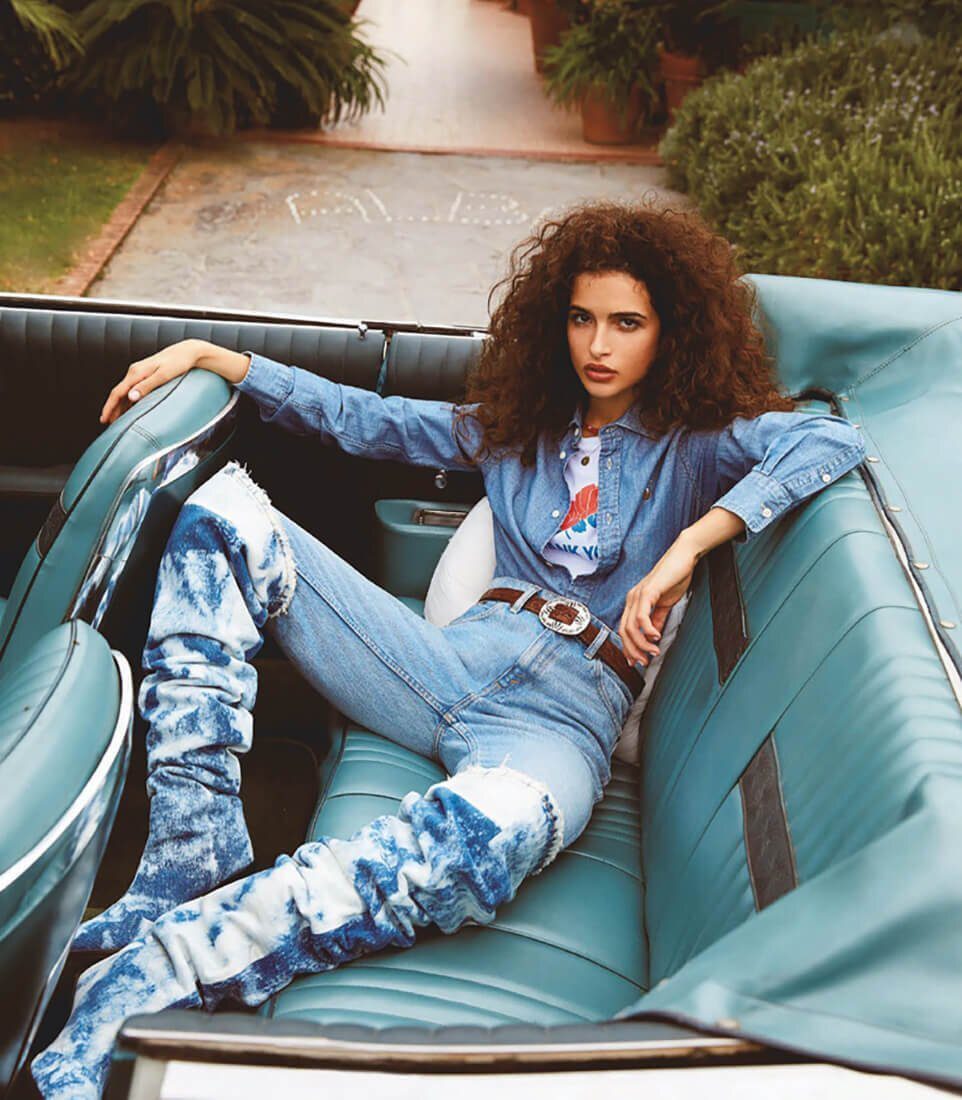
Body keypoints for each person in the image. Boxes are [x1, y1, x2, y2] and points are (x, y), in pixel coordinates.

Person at [32, 200, 865, 1098]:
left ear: (672, 331)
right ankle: (190, 850)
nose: (598, 345)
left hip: (563, 713)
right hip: (438, 664)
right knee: (224, 516)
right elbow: (364, 418)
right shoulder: (516, 431)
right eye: (581, 318)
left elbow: (829, 438)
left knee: (489, 839)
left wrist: (688, 546)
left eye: (627, 323)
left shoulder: (696, 447)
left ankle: (155, 974)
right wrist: (221, 359)